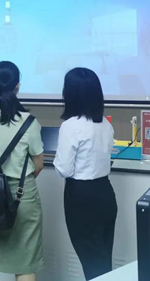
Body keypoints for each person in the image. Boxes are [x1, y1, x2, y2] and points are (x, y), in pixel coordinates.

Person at [0, 61, 45, 281]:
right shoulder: (29, 122)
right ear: (18, 86)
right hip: (22, 195)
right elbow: (38, 164)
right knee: (25, 262)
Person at [53, 67, 117, 281]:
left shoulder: (71, 126)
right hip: (105, 192)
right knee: (102, 259)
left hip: (81, 197)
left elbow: (63, 169)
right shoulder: (105, 124)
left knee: (92, 263)